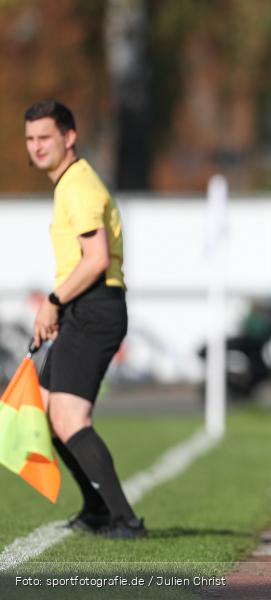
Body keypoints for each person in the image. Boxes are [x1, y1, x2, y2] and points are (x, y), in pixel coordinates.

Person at [24, 100, 145, 538]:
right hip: (82, 307)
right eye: (31, 139)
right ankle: (96, 509)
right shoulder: (68, 185)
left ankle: (125, 521)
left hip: (96, 308)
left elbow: (96, 260)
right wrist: (61, 305)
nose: (37, 147)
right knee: (43, 412)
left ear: (69, 138)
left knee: (71, 420)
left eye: (45, 138)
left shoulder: (78, 186)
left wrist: (53, 301)